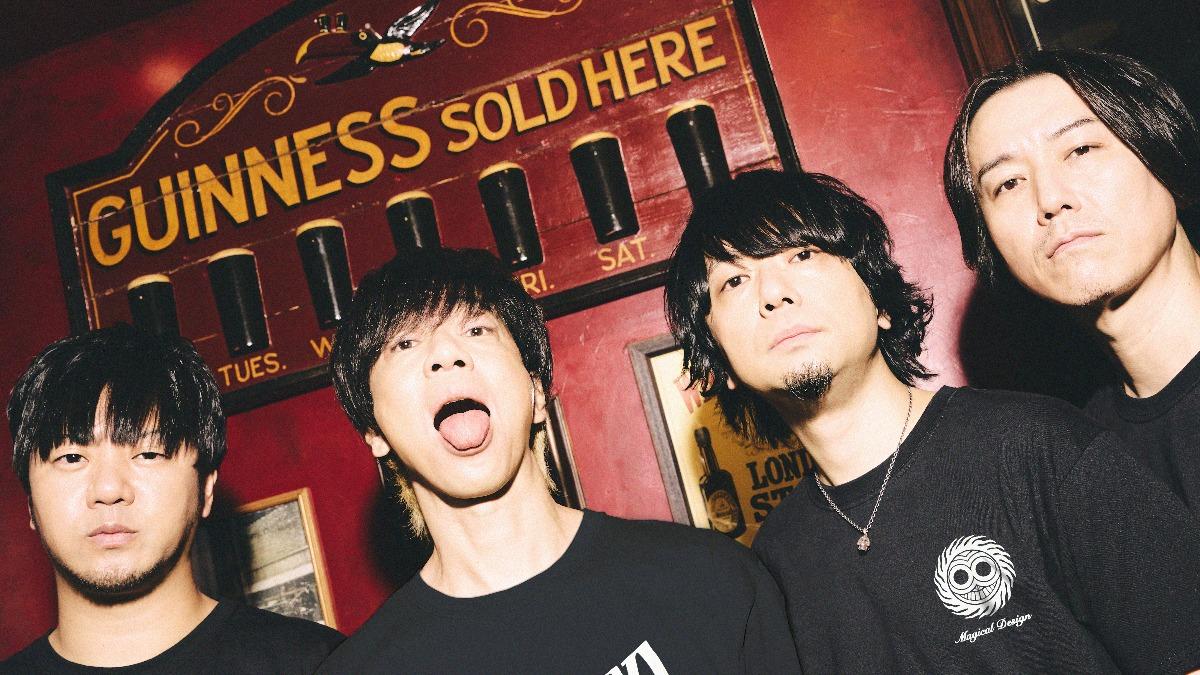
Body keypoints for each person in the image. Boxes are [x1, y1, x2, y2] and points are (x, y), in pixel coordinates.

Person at [663, 168, 1200, 673]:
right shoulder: (774, 565)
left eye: (802, 254)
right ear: (720, 363)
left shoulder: (1041, 448)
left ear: (880, 303)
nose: (772, 294)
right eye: (733, 282)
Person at [319, 247, 798, 673]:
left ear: (536, 394)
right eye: (405, 344)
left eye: (477, 328)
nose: (446, 354)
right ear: (373, 430)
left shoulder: (706, 581)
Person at [943, 48, 1200, 513]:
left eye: (1080, 150)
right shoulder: (1075, 465)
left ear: (1162, 151)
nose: (1050, 199)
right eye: (1009, 183)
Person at [2, 324, 342, 673]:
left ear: (205, 489)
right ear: (30, 501)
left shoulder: (322, 664)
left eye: (148, 454)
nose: (108, 490)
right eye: (72, 457)